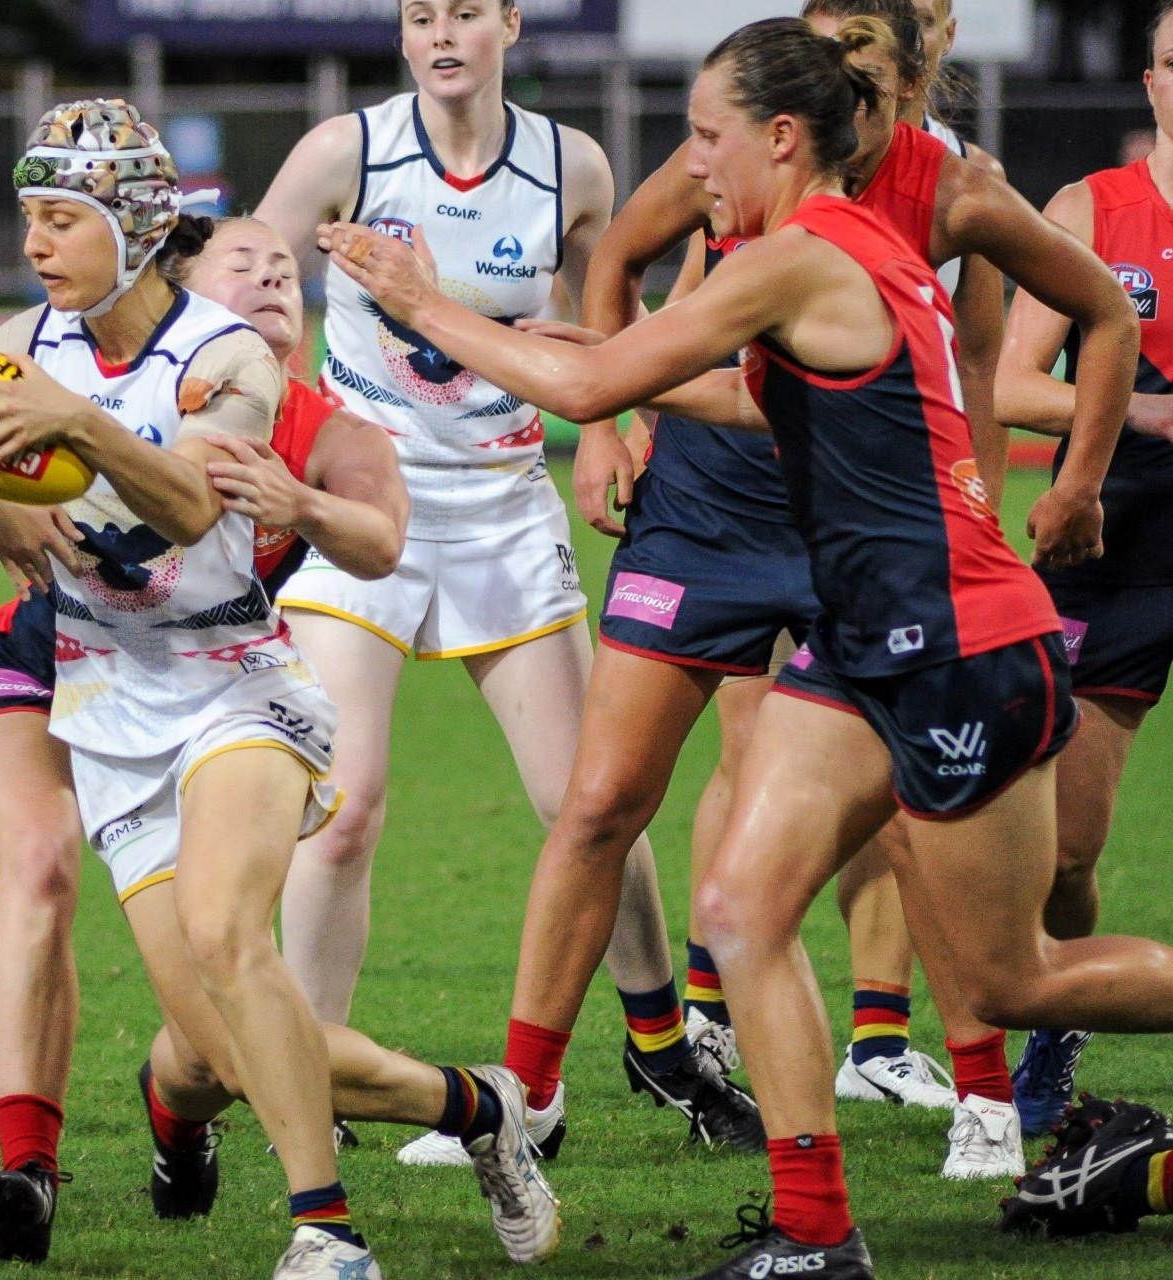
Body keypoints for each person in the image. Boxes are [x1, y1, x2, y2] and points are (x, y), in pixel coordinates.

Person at [322, 16, 1173, 1277]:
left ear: (782, 136)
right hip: (861, 639)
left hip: (957, 643)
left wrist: (422, 301)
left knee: (1012, 978)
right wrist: (599, 357)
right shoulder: (826, 244)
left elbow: (584, 396)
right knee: (740, 903)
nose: (694, 162)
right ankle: (815, 1230)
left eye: (710, 136)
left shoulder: (807, 252)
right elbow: (727, 390)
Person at [0, 98, 556, 1279]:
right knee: (216, 1049)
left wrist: (78, 428)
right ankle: (478, 1108)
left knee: (223, 926)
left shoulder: (223, 355)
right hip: (104, 695)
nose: (36, 243)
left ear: (138, 224)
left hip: (233, 675)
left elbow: (193, 506)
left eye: (62, 218)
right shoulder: (20, 343)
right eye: (29, 219)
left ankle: (328, 1229)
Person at [553, 0, 1088, 1181]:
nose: (844, 79)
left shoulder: (931, 196)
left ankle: (966, 1079)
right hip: (739, 515)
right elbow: (631, 283)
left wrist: (1017, 493)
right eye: (826, 49)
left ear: (907, 79)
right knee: (730, 853)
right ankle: (788, 1177)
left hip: (896, 566)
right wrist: (614, 415)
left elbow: (983, 366)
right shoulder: (743, 173)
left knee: (960, 893)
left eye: (866, 61)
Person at [257, 0, 760, 1169]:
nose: (442, 33)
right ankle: (314, 1062)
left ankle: (658, 1037)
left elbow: (618, 305)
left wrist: (618, 427)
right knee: (345, 808)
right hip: (366, 506)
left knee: (593, 799)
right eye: (421, 14)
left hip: (502, 505)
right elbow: (249, 271)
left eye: (466, 12)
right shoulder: (348, 152)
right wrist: (262, 382)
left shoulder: (569, 163)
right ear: (400, 34)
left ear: (510, 25)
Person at [0, 213, 411, 1264]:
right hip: (52, 655)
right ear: (172, 280)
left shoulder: (318, 421)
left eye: (286, 267)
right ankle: (29, 1166)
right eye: (244, 264)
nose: (274, 281)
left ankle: (214, 1122)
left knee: (214, 1036)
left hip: (197, 677)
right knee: (39, 859)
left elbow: (375, 543)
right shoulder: (50, 355)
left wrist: (304, 503)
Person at [997, 0, 1173, 1139]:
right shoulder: (1086, 212)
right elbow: (1012, 386)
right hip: (1118, 547)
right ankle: (1063, 1011)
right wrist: (1145, 410)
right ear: (1151, 79)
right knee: (1063, 848)